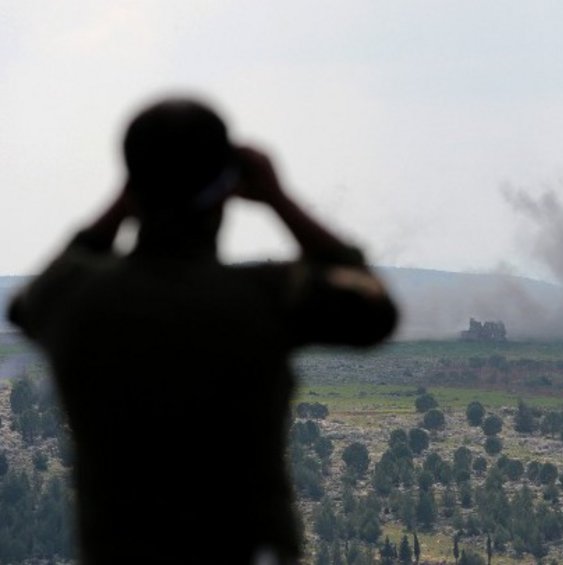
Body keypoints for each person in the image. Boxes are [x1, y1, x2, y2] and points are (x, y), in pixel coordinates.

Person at [7, 98, 397, 564]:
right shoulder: (264, 297)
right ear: (225, 192)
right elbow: (374, 310)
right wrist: (278, 198)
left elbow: (31, 301)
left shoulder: (77, 298)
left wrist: (125, 200)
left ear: (133, 187)